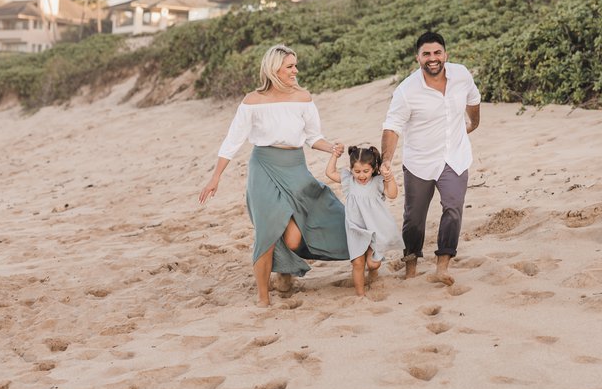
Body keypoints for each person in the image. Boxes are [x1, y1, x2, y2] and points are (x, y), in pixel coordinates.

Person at [198, 44, 349, 307]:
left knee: (293, 237)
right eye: (290, 66)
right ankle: (263, 298)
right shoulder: (252, 101)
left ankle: (285, 272)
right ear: (273, 68)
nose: (296, 70)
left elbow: (313, 137)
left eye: (295, 65)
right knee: (267, 233)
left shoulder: (303, 97)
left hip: (295, 167)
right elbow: (232, 141)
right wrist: (216, 177)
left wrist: (331, 147)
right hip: (264, 168)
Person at [381, 31, 481, 286]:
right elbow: (392, 127)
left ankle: (442, 265)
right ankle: (411, 265)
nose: (433, 58)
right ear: (418, 58)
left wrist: (474, 123)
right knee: (414, 218)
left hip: (454, 157)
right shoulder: (407, 90)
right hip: (420, 161)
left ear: (445, 54)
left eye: (437, 53)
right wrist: (386, 160)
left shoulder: (461, 75)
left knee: (453, 208)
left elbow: (474, 99)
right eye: (427, 54)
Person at [324, 144, 402, 296]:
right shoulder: (348, 181)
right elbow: (330, 172)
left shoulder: (378, 181)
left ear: (373, 169)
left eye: (366, 171)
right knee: (357, 263)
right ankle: (360, 295)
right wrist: (335, 155)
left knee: (373, 264)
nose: (361, 175)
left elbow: (392, 194)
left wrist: (388, 177)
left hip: (374, 228)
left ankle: (373, 272)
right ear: (351, 169)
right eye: (357, 171)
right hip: (355, 229)